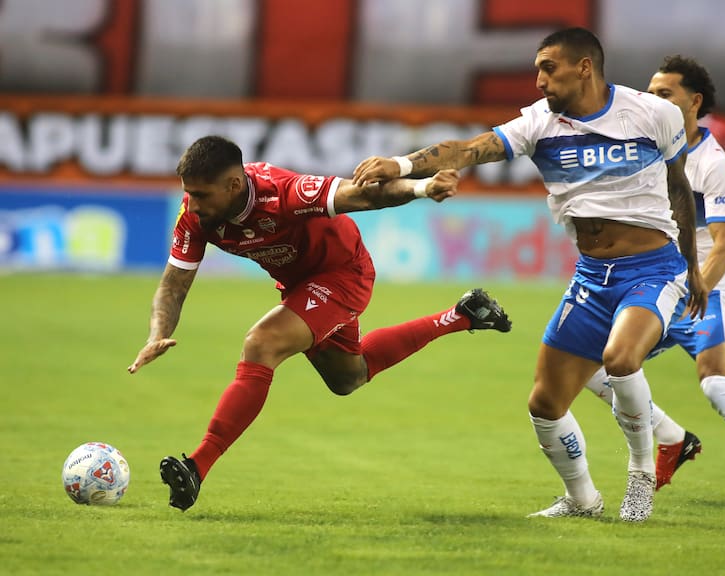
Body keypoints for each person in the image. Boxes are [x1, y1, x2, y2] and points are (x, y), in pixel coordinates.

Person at [353, 27, 708, 522]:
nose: (538, 79)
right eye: (537, 69)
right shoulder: (540, 123)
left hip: (653, 268)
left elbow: (678, 187)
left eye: (548, 67)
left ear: (584, 66)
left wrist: (692, 267)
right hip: (591, 276)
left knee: (621, 358)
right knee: (544, 403)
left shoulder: (654, 113)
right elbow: (470, 149)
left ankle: (641, 476)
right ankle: (583, 500)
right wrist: (400, 163)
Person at [128, 135, 511, 511]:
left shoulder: (284, 193)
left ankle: (197, 466)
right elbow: (174, 284)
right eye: (189, 193)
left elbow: (363, 195)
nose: (192, 205)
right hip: (300, 286)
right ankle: (462, 315)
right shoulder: (196, 216)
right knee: (348, 378)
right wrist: (157, 335)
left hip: (344, 275)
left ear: (233, 184)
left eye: (201, 195)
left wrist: (424, 187)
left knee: (261, 344)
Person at [585, 55, 725, 507]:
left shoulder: (712, 161)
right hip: (655, 277)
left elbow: (724, 245)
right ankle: (671, 437)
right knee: (591, 366)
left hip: (707, 282)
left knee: (716, 382)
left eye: (664, 93)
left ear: (694, 101)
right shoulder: (643, 150)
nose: (653, 101)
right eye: (650, 93)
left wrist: (697, 287)